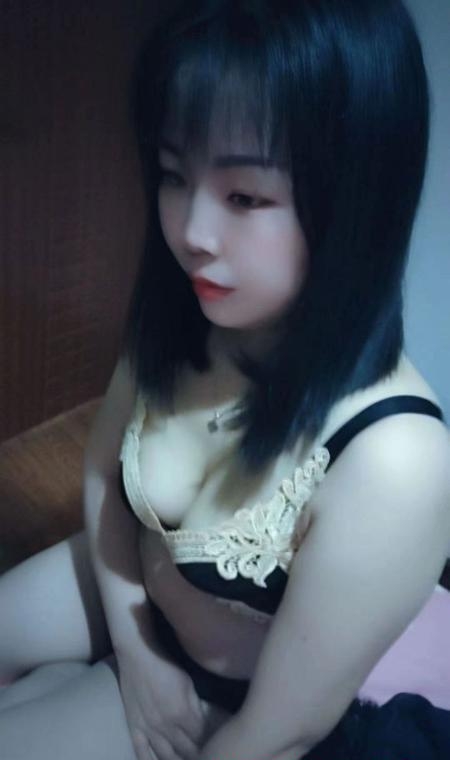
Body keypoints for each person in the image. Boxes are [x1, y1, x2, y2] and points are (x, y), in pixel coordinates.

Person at [1, 1, 450, 759]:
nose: (191, 234)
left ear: (355, 198)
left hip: (225, 704)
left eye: (244, 197)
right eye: (174, 175)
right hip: (128, 589)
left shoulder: (396, 460)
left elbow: (278, 735)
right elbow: (105, 476)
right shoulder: (190, 313)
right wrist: (136, 654)